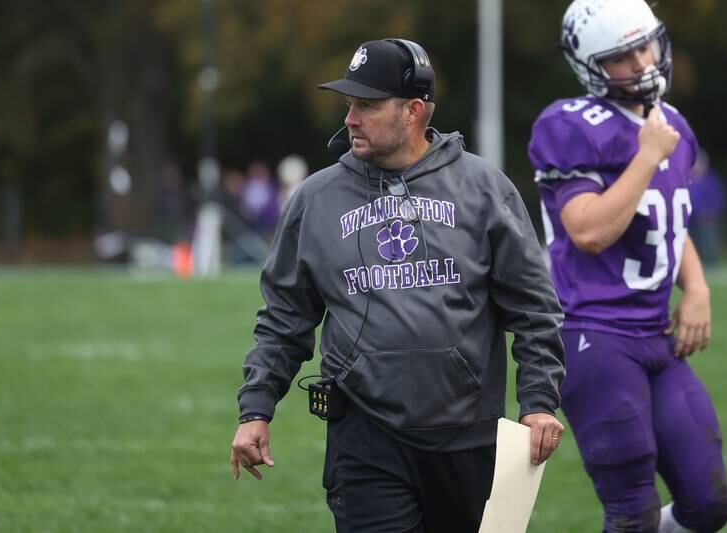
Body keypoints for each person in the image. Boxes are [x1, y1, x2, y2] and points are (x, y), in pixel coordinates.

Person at [231, 38, 566, 532]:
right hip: (365, 437)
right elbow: (284, 316)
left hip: (468, 438)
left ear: (412, 111)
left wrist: (538, 402)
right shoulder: (316, 199)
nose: (350, 119)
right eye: (349, 105)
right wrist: (255, 409)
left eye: (367, 105)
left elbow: (534, 309)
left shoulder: (483, 189)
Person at [528, 1, 727, 531]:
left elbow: (669, 220)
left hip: (656, 336)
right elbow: (590, 230)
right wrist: (645, 157)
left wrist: (697, 288)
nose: (644, 62)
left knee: (708, 504)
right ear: (591, 64)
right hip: (594, 334)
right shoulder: (570, 124)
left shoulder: (672, 124)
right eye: (624, 55)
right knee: (631, 512)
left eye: (647, 45)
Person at [688, 150, 726, 267]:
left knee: (707, 243)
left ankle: (711, 264)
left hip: (705, 220)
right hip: (687, 220)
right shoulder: (685, 179)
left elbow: (718, 197)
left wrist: (711, 211)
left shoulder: (711, 179)